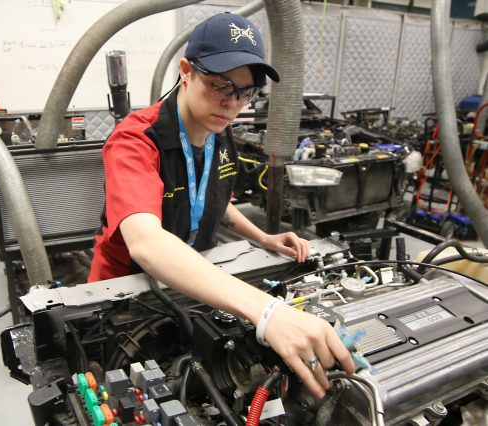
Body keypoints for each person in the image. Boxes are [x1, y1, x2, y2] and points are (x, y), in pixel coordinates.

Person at [89, 12, 355, 397]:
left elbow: (215, 199)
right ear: (185, 71)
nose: (231, 103)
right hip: (125, 295)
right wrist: (267, 312)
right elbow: (145, 242)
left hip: (191, 281)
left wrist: (263, 237)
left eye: (245, 92)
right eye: (219, 85)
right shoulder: (135, 140)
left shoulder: (219, 132)